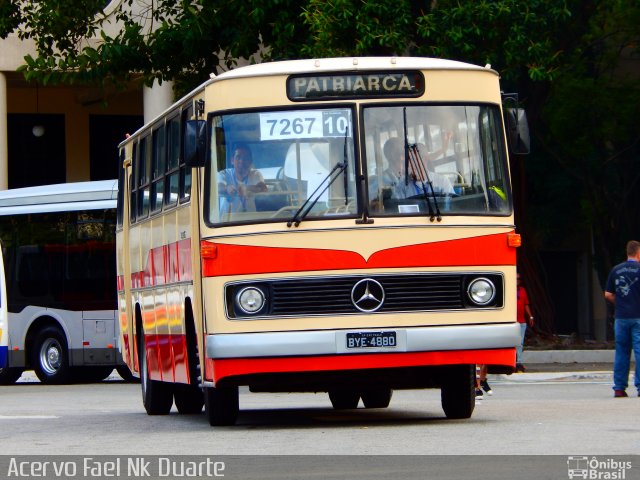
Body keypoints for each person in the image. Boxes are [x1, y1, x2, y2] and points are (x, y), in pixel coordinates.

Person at [604, 240, 640, 398]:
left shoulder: (616, 270)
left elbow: (608, 294)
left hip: (621, 317)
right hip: (638, 317)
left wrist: (620, 303)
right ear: (638, 253)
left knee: (621, 352)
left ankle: (619, 387)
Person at [370, 136, 454, 204]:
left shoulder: (442, 181)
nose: (409, 164)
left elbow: (452, 206)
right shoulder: (399, 185)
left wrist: (443, 149)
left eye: (412, 160)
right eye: (408, 159)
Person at [217, 143, 267, 214]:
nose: (241, 161)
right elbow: (218, 187)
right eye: (238, 157)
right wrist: (227, 188)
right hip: (227, 221)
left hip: (250, 219)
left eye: (246, 158)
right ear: (232, 160)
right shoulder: (224, 173)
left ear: (250, 161)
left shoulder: (255, 173)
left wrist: (247, 188)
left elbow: (263, 188)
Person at [516, 272, 534, 372]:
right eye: (515, 279)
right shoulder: (508, 290)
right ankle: (512, 362)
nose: (517, 281)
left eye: (519, 279)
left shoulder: (522, 290)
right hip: (512, 322)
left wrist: (530, 316)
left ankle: (518, 362)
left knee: (520, 343)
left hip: (522, 321)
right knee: (513, 343)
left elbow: (526, 304)